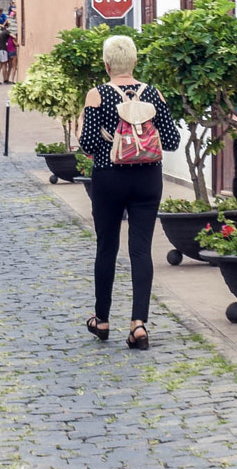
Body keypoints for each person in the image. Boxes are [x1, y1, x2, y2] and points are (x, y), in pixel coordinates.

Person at [77, 33, 180, 350]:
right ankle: (138, 325)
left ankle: (103, 319)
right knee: (141, 249)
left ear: (106, 65)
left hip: (109, 178)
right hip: (148, 178)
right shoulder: (153, 95)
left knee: (106, 247)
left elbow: (88, 143)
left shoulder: (98, 95)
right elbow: (173, 140)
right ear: (135, 62)